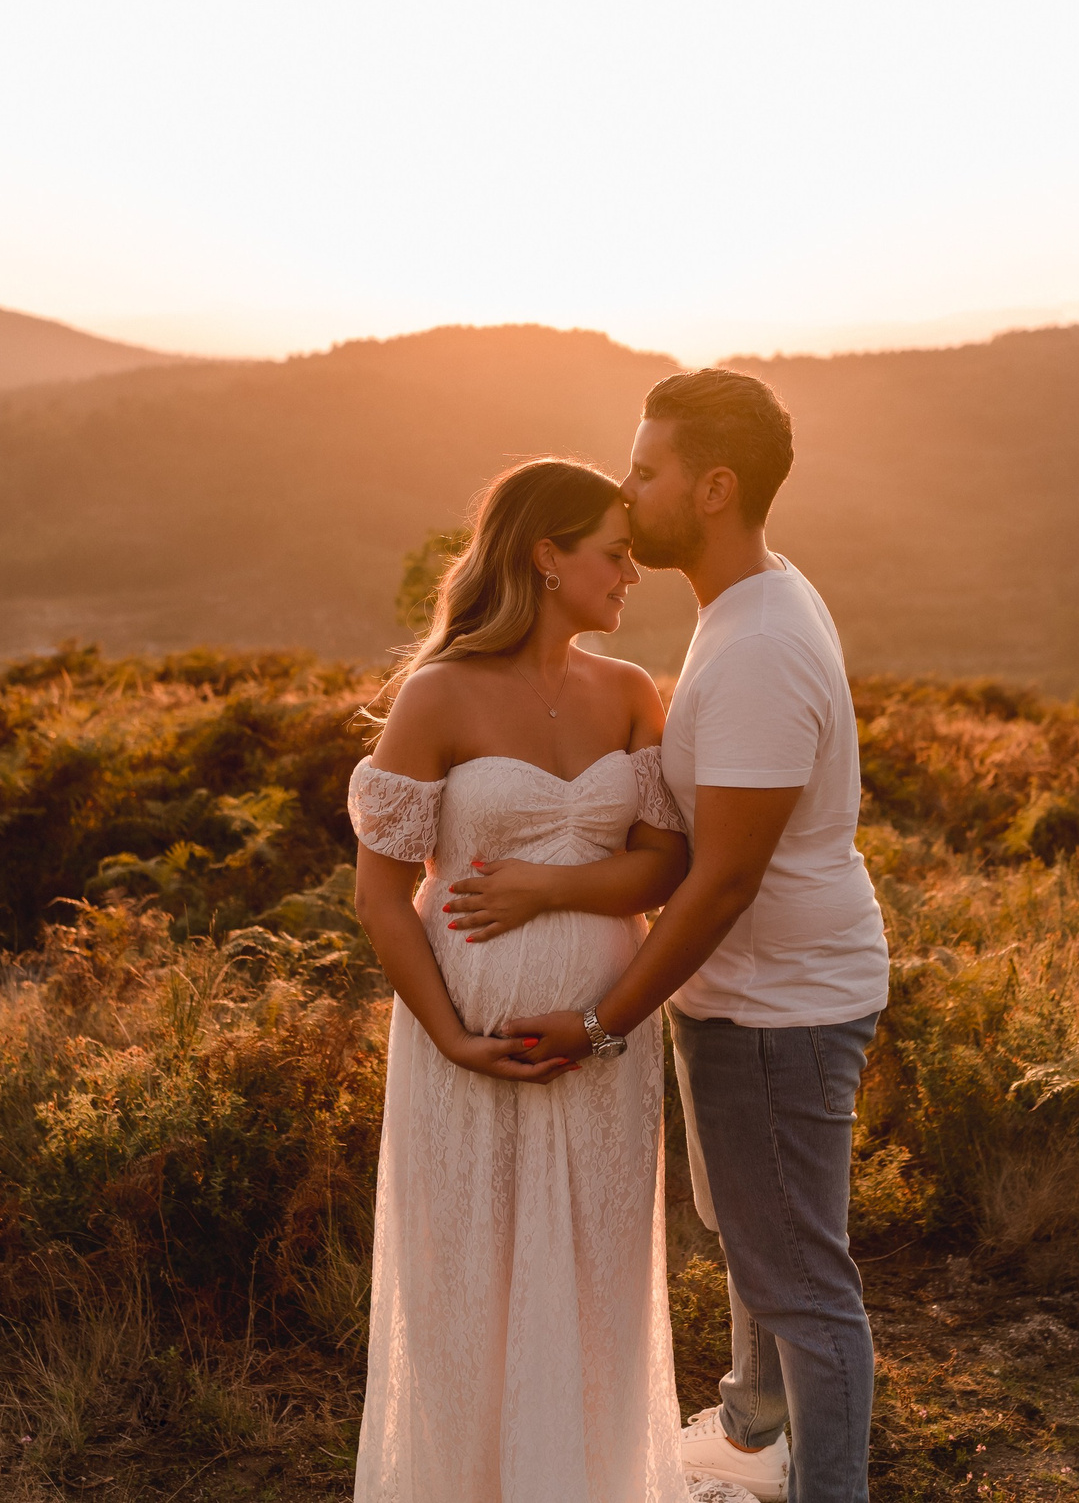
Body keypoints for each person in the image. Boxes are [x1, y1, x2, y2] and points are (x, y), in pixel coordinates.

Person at [500, 369, 890, 1503]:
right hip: (750, 995)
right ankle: (753, 1432)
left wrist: (597, 1022)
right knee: (752, 1234)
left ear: (713, 488)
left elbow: (720, 883)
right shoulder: (750, 601)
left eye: (646, 470)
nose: (628, 491)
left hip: (780, 1004)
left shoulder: (760, 645)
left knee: (801, 1277)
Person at [345, 458, 699, 1503]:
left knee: (595, 1286)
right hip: (464, 1047)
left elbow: (664, 862)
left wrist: (546, 883)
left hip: (601, 1039)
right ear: (547, 557)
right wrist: (453, 1034)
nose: (631, 571)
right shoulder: (438, 694)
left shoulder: (630, 691)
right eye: (613, 550)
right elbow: (379, 896)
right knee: (462, 1287)